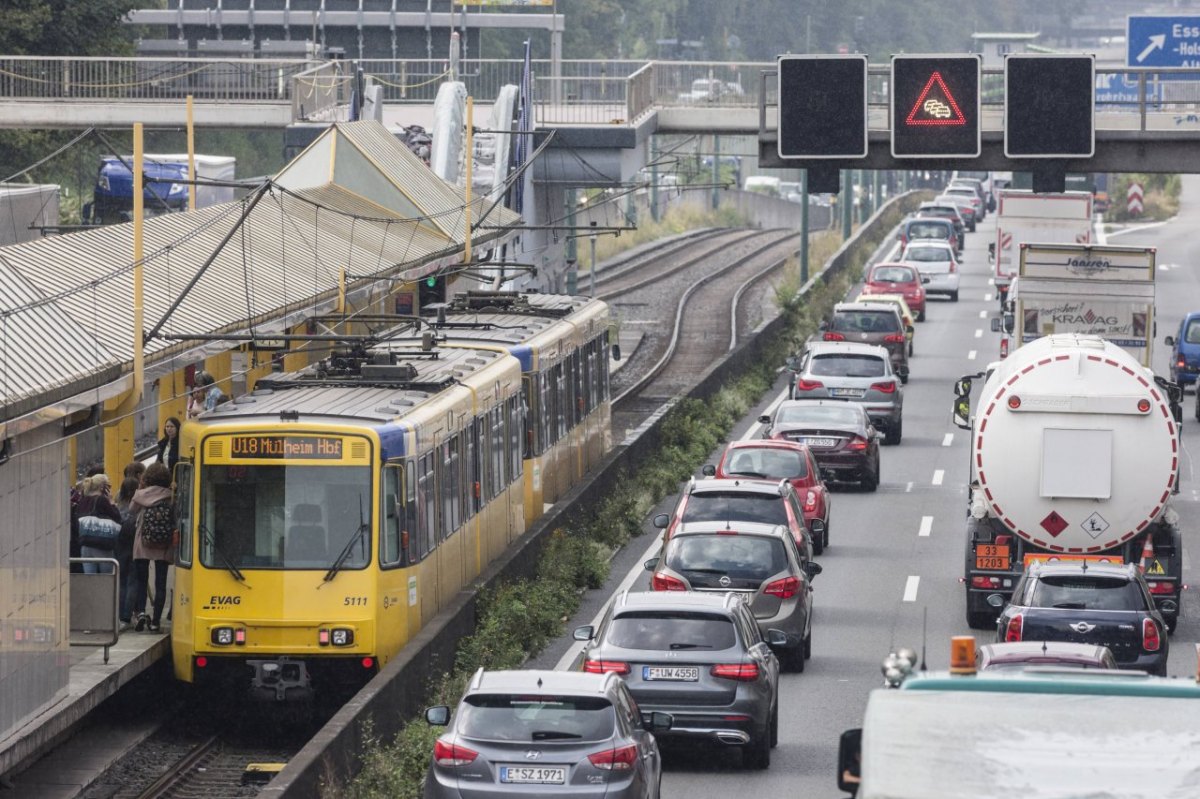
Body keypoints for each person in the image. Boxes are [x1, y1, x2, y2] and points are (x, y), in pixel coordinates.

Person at [129, 463, 175, 633]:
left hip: (143, 543)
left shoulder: (141, 495)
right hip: (163, 544)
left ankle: (141, 613)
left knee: (142, 581)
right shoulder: (171, 496)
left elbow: (131, 510)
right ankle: (155, 621)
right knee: (160, 584)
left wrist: (141, 488)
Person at [72, 473, 123, 574]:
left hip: (85, 545)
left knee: (90, 580)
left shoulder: (82, 500)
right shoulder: (102, 500)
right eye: (109, 486)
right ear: (102, 487)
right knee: (105, 580)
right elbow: (117, 517)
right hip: (102, 544)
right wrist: (112, 502)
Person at [114, 475, 142, 628]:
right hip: (135, 546)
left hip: (120, 545)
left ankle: (119, 616)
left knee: (121, 581)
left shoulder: (118, 506)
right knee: (133, 582)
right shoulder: (138, 506)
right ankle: (127, 616)